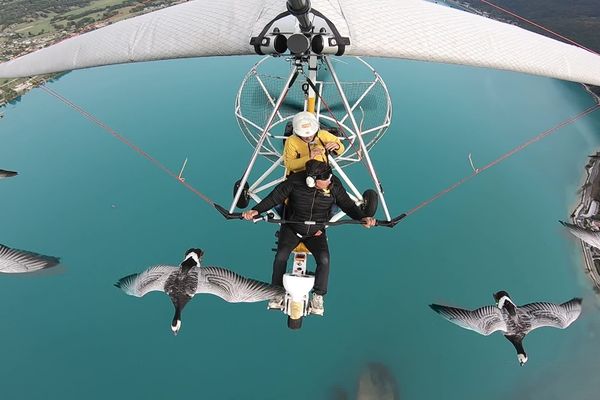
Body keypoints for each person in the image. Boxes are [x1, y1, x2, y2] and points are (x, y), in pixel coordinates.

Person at [242, 159, 375, 315]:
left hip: (316, 232)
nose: (329, 183)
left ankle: (318, 296)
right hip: (292, 228)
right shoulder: (294, 182)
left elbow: (347, 205)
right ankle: (276, 292)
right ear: (311, 181)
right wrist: (255, 211)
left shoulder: (334, 185)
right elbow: (274, 198)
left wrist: (361, 218)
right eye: (325, 181)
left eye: (330, 179)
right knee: (281, 256)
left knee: (324, 259)